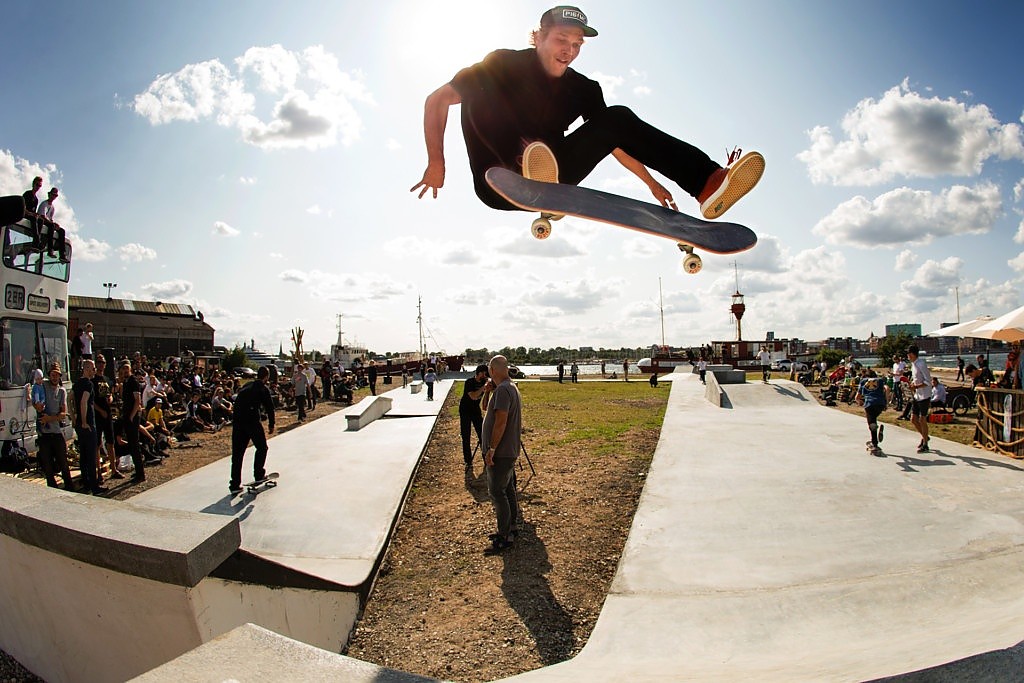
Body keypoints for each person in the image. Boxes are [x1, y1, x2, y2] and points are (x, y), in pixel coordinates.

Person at [411, 6, 764, 221]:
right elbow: (436, 100)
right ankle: (526, 168)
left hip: (555, 174)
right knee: (481, 85)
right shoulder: (503, 62)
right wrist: (436, 163)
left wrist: (654, 184)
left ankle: (708, 183)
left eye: (577, 44)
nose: (570, 51)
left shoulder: (584, 88)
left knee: (619, 118)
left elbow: (617, 143)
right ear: (539, 37)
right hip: (497, 179)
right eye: (562, 40)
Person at [482, 355, 522, 554]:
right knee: (507, 490)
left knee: (498, 492)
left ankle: (504, 534)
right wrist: (488, 392)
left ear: (493, 370)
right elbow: (486, 409)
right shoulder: (507, 387)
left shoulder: (505, 390)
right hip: (508, 450)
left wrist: (491, 448)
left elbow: (500, 421)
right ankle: (511, 527)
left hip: (502, 451)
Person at [229, 366, 277, 494]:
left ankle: (234, 484)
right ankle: (259, 474)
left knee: (237, 454)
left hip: (238, 421)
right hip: (251, 421)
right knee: (262, 448)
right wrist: (271, 425)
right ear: (266, 377)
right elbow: (270, 408)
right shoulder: (263, 389)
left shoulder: (247, 386)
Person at [34, 362, 75, 490]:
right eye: (52, 375)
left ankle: (69, 486)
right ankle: (52, 488)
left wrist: (50, 418)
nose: (54, 377)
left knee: (63, 461)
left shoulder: (61, 391)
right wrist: (37, 406)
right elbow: (34, 395)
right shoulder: (43, 385)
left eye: (57, 375)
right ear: (49, 375)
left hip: (56, 431)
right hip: (44, 433)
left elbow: (62, 414)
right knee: (47, 464)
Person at [73, 359, 106, 494]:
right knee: (91, 456)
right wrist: (85, 421)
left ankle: (86, 483)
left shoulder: (76, 384)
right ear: (87, 369)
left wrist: (74, 418)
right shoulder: (88, 384)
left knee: (83, 456)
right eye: (93, 369)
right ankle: (94, 486)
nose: (94, 371)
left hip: (79, 425)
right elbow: (83, 402)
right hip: (88, 425)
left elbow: (70, 399)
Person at [119, 362, 146, 482]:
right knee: (131, 445)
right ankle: (138, 471)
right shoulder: (125, 382)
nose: (125, 370)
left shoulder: (133, 381)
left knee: (135, 445)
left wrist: (132, 416)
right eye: (123, 368)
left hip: (133, 417)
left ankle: (141, 474)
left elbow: (137, 401)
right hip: (127, 415)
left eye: (126, 368)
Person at [460, 364, 489, 469]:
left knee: (482, 434)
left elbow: (485, 402)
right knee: (466, 435)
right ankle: (468, 461)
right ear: (479, 373)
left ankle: (486, 458)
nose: (486, 376)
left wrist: (487, 390)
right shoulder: (469, 382)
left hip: (475, 410)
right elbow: (473, 396)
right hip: (465, 410)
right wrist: (484, 387)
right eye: (484, 374)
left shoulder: (484, 383)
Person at [855, 370, 890, 456]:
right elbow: (887, 388)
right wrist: (886, 401)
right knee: (874, 418)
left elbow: (857, 397)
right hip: (880, 403)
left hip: (869, 404)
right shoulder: (880, 380)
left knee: (871, 422)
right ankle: (875, 439)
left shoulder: (863, 381)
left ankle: (874, 443)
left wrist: (859, 402)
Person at [907, 345, 932, 453]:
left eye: (908, 354)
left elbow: (927, 381)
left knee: (922, 419)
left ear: (912, 354)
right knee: (913, 419)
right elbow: (916, 378)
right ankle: (925, 436)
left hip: (924, 395)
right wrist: (913, 383)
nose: (907, 356)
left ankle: (925, 443)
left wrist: (916, 386)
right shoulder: (913, 365)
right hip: (917, 395)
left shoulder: (921, 364)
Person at [35, 187, 67, 257]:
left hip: (48, 222)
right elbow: (42, 216)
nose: (53, 197)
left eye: (55, 195)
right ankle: (50, 249)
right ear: (49, 194)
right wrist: (52, 223)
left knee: (62, 231)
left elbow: (50, 218)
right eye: (53, 194)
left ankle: (62, 254)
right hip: (42, 221)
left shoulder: (52, 207)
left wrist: (55, 224)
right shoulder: (44, 204)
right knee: (51, 226)